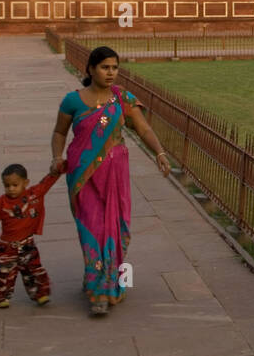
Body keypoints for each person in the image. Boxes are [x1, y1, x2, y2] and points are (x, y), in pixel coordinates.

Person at [52, 46, 171, 316]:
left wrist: (160, 152)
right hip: (83, 176)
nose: (111, 73)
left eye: (114, 67)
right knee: (92, 230)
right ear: (91, 69)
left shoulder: (121, 99)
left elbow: (143, 128)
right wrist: (55, 156)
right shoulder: (73, 101)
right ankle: (98, 293)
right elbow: (59, 132)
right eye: (105, 67)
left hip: (115, 175)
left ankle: (103, 282)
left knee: (115, 230)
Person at [0, 163, 60, 308]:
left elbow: (47, 183)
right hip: (7, 247)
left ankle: (40, 294)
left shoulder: (33, 195)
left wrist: (57, 170)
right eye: (7, 185)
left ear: (25, 183)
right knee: (3, 273)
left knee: (33, 270)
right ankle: (1, 297)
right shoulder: (1, 202)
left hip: (28, 244)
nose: (11, 189)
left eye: (15, 185)